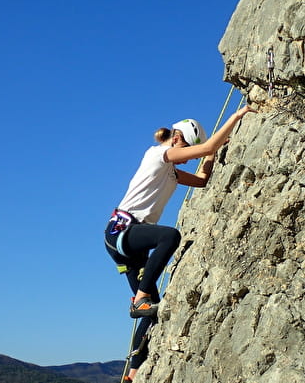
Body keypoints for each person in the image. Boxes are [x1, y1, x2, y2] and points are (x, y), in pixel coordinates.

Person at [104, 105, 256, 382]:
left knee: (153, 313)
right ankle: (139, 300)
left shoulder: (171, 172)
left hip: (132, 244)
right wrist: (236, 116)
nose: (186, 156)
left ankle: (132, 374)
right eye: (188, 147)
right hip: (123, 232)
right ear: (177, 138)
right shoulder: (160, 154)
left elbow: (201, 179)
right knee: (169, 236)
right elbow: (208, 145)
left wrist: (210, 153)